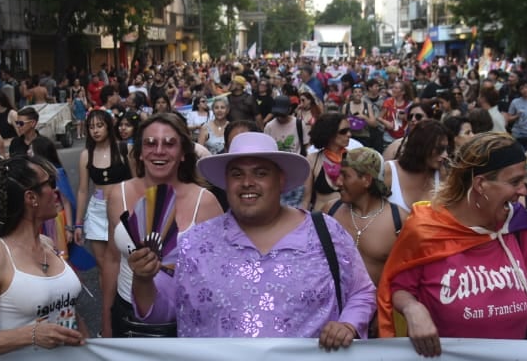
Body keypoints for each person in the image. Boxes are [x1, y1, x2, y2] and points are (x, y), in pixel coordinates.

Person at [128, 132, 374, 346]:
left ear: (280, 180)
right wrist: (143, 279)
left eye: (260, 173)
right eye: (237, 174)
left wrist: (348, 325)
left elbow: (362, 292)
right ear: (226, 182)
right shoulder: (196, 243)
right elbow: (163, 313)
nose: (247, 183)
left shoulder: (326, 233)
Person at [377, 132, 527, 360]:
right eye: (514, 182)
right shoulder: (427, 230)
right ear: (481, 184)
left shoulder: (515, 223)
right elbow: (398, 288)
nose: (524, 190)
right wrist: (413, 309)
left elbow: (525, 287)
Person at [0, 155, 89, 355]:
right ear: (31, 197)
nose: (56, 192)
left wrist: (91, 351)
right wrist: (31, 335)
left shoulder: (47, 244)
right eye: (49, 184)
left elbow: (67, 309)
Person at [106, 113, 223, 337]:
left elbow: (216, 274)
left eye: (170, 144)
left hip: (181, 317)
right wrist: (106, 318)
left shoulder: (205, 202)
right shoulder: (118, 194)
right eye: (150, 143)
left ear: (182, 154)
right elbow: (112, 259)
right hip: (126, 312)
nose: (159, 150)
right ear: (140, 152)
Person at [73, 110, 130, 338]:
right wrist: (77, 224)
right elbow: (83, 189)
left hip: (122, 210)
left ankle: (123, 307)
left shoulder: (125, 149)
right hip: (96, 211)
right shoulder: (86, 154)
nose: (95, 130)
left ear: (109, 126)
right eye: (91, 126)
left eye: (100, 125)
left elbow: (136, 183)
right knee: (103, 265)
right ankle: (109, 314)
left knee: (122, 261)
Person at [328, 146, 409, 287]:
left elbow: (408, 277)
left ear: (366, 180)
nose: (338, 182)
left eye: (345, 176)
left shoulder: (399, 221)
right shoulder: (330, 211)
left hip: (375, 306)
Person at [383, 118, 449, 210]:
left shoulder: (441, 174)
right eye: (439, 149)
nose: (445, 155)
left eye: (446, 149)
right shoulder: (389, 171)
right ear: (421, 147)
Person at [302, 112, 351, 213]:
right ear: (329, 133)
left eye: (349, 130)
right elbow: (306, 199)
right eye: (343, 131)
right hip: (321, 221)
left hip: (348, 221)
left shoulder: (354, 158)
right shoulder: (312, 160)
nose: (349, 134)